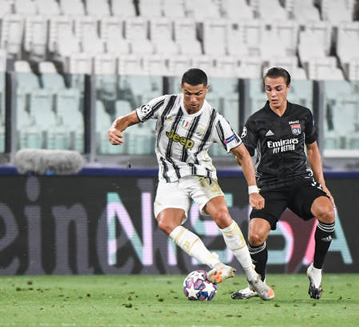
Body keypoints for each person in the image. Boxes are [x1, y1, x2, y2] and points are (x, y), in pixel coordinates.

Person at [108, 68, 274, 300]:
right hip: (169, 177)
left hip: (200, 174)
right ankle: (216, 265)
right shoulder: (164, 105)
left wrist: (253, 189)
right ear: (181, 89)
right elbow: (127, 119)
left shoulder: (214, 120)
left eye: (198, 94)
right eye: (188, 94)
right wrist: (115, 129)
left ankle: (253, 276)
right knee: (166, 223)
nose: (193, 100)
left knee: (222, 215)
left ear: (206, 90)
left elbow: (243, 154)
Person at [231, 67, 336, 300]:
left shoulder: (303, 115)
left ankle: (316, 270)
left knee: (328, 212)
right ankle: (258, 283)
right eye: (269, 89)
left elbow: (312, 148)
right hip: (270, 185)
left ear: (288, 87)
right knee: (256, 236)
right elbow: (244, 156)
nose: (273, 94)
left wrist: (322, 183)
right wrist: (253, 188)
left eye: (278, 88)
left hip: (300, 181)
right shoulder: (256, 120)